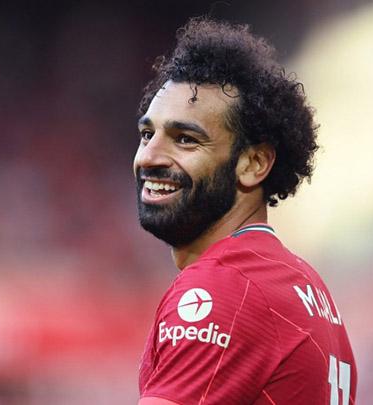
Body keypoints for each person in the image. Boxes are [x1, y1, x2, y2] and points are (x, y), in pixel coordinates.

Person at [134, 17, 357, 405]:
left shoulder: (224, 285)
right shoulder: (306, 286)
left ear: (254, 163)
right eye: (147, 134)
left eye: (185, 139)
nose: (149, 157)